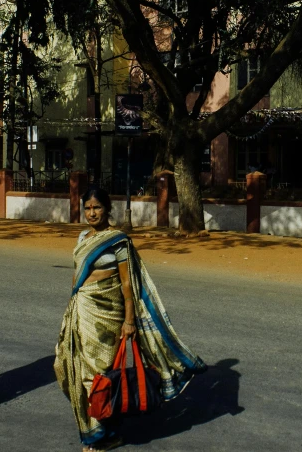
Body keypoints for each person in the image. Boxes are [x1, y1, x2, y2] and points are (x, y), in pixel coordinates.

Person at [54, 188, 206, 452]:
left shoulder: (118, 241)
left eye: (97, 208)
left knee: (99, 374)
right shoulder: (82, 237)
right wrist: (73, 305)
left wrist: (129, 321)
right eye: (87, 208)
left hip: (107, 315)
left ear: (107, 210)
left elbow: (127, 284)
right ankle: (95, 428)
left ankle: (103, 433)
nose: (91, 213)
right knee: (69, 365)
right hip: (81, 309)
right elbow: (76, 277)